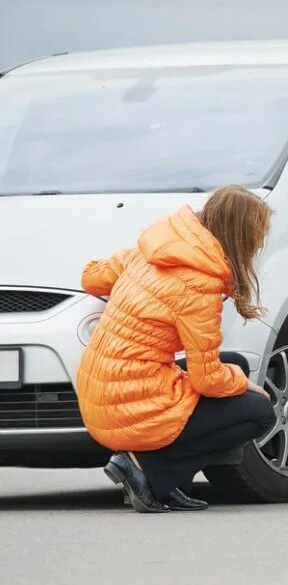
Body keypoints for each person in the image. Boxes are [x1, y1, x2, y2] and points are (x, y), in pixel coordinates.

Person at [76, 186, 276, 513]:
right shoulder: (200, 285)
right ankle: (151, 472)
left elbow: (91, 277)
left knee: (235, 363)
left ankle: (158, 474)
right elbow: (207, 379)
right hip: (128, 405)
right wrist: (244, 383)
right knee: (260, 412)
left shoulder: (156, 249)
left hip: (100, 389)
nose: (258, 245)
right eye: (258, 236)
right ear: (241, 237)